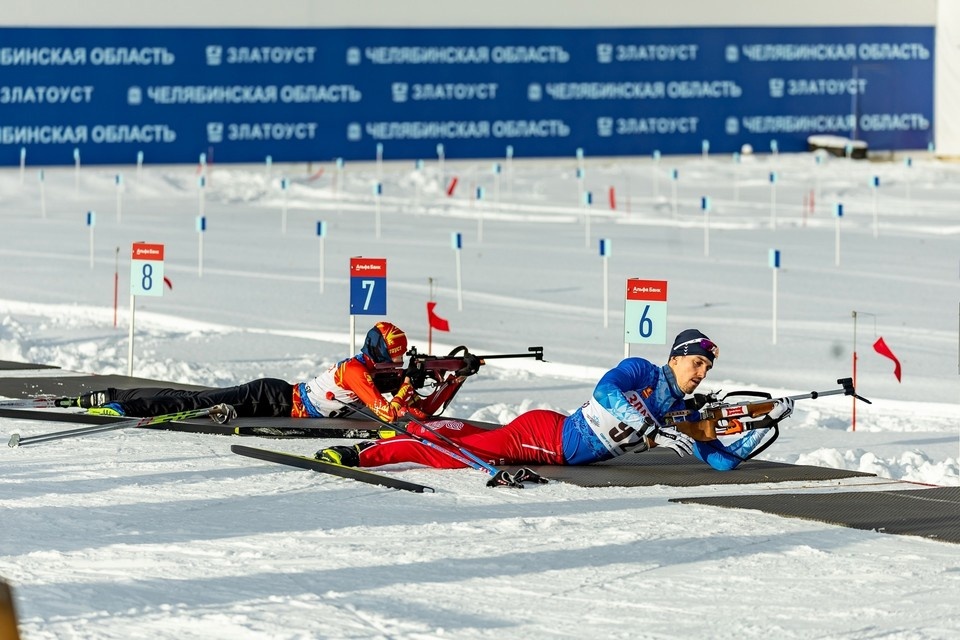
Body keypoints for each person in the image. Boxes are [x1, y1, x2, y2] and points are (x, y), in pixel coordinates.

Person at [317, 328, 794, 473]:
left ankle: (408, 434)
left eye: (708, 369)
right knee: (453, 457)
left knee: (474, 439)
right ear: (677, 358)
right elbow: (605, 391)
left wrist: (762, 425)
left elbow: (719, 462)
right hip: (549, 439)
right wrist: (650, 426)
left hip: (552, 435)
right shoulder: (642, 371)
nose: (702, 374)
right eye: (698, 364)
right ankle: (363, 455)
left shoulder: (679, 409)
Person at [78, 322, 438, 424]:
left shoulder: (376, 372)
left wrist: (453, 380)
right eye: (391, 361)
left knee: (199, 401)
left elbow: (421, 412)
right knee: (197, 402)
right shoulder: (357, 371)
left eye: (398, 362)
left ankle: (122, 397)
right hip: (275, 397)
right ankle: (124, 404)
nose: (395, 368)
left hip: (284, 402)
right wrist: (407, 384)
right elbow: (389, 414)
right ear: (377, 355)